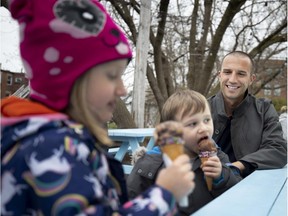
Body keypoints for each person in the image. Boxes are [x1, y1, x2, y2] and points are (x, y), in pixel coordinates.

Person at [0, 0, 195, 215]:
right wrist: (163, 195)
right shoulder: (51, 149)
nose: (123, 90)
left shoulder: (50, 139)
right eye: (112, 76)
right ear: (69, 81)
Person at [127, 89, 242, 215]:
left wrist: (221, 176)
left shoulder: (217, 156)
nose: (204, 128)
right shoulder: (149, 166)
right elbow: (132, 202)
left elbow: (237, 192)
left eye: (207, 120)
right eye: (193, 124)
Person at [208, 51, 287, 178]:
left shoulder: (264, 110)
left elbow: (278, 149)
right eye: (227, 72)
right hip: (207, 188)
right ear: (220, 75)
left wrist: (237, 166)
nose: (233, 80)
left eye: (241, 74)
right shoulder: (202, 108)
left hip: (250, 187)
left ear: (251, 79)